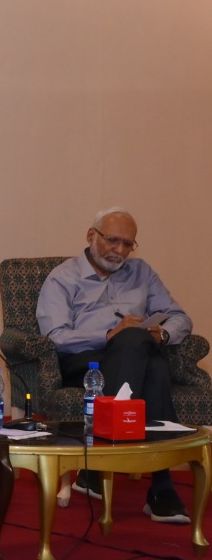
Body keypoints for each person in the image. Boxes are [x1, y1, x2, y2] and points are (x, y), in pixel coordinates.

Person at [36, 208, 192, 524]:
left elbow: (180, 317)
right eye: (112, 240)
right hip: (85, 362)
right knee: (143, 353)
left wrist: (162, 333)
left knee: (144, 352)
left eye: (127, 244)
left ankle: (94, 468)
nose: (119, 250)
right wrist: (109, 335)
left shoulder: (142, 273)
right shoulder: (63, 277)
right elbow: (55, 337)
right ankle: (162, 487)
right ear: (91, 236)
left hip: (133, 357)